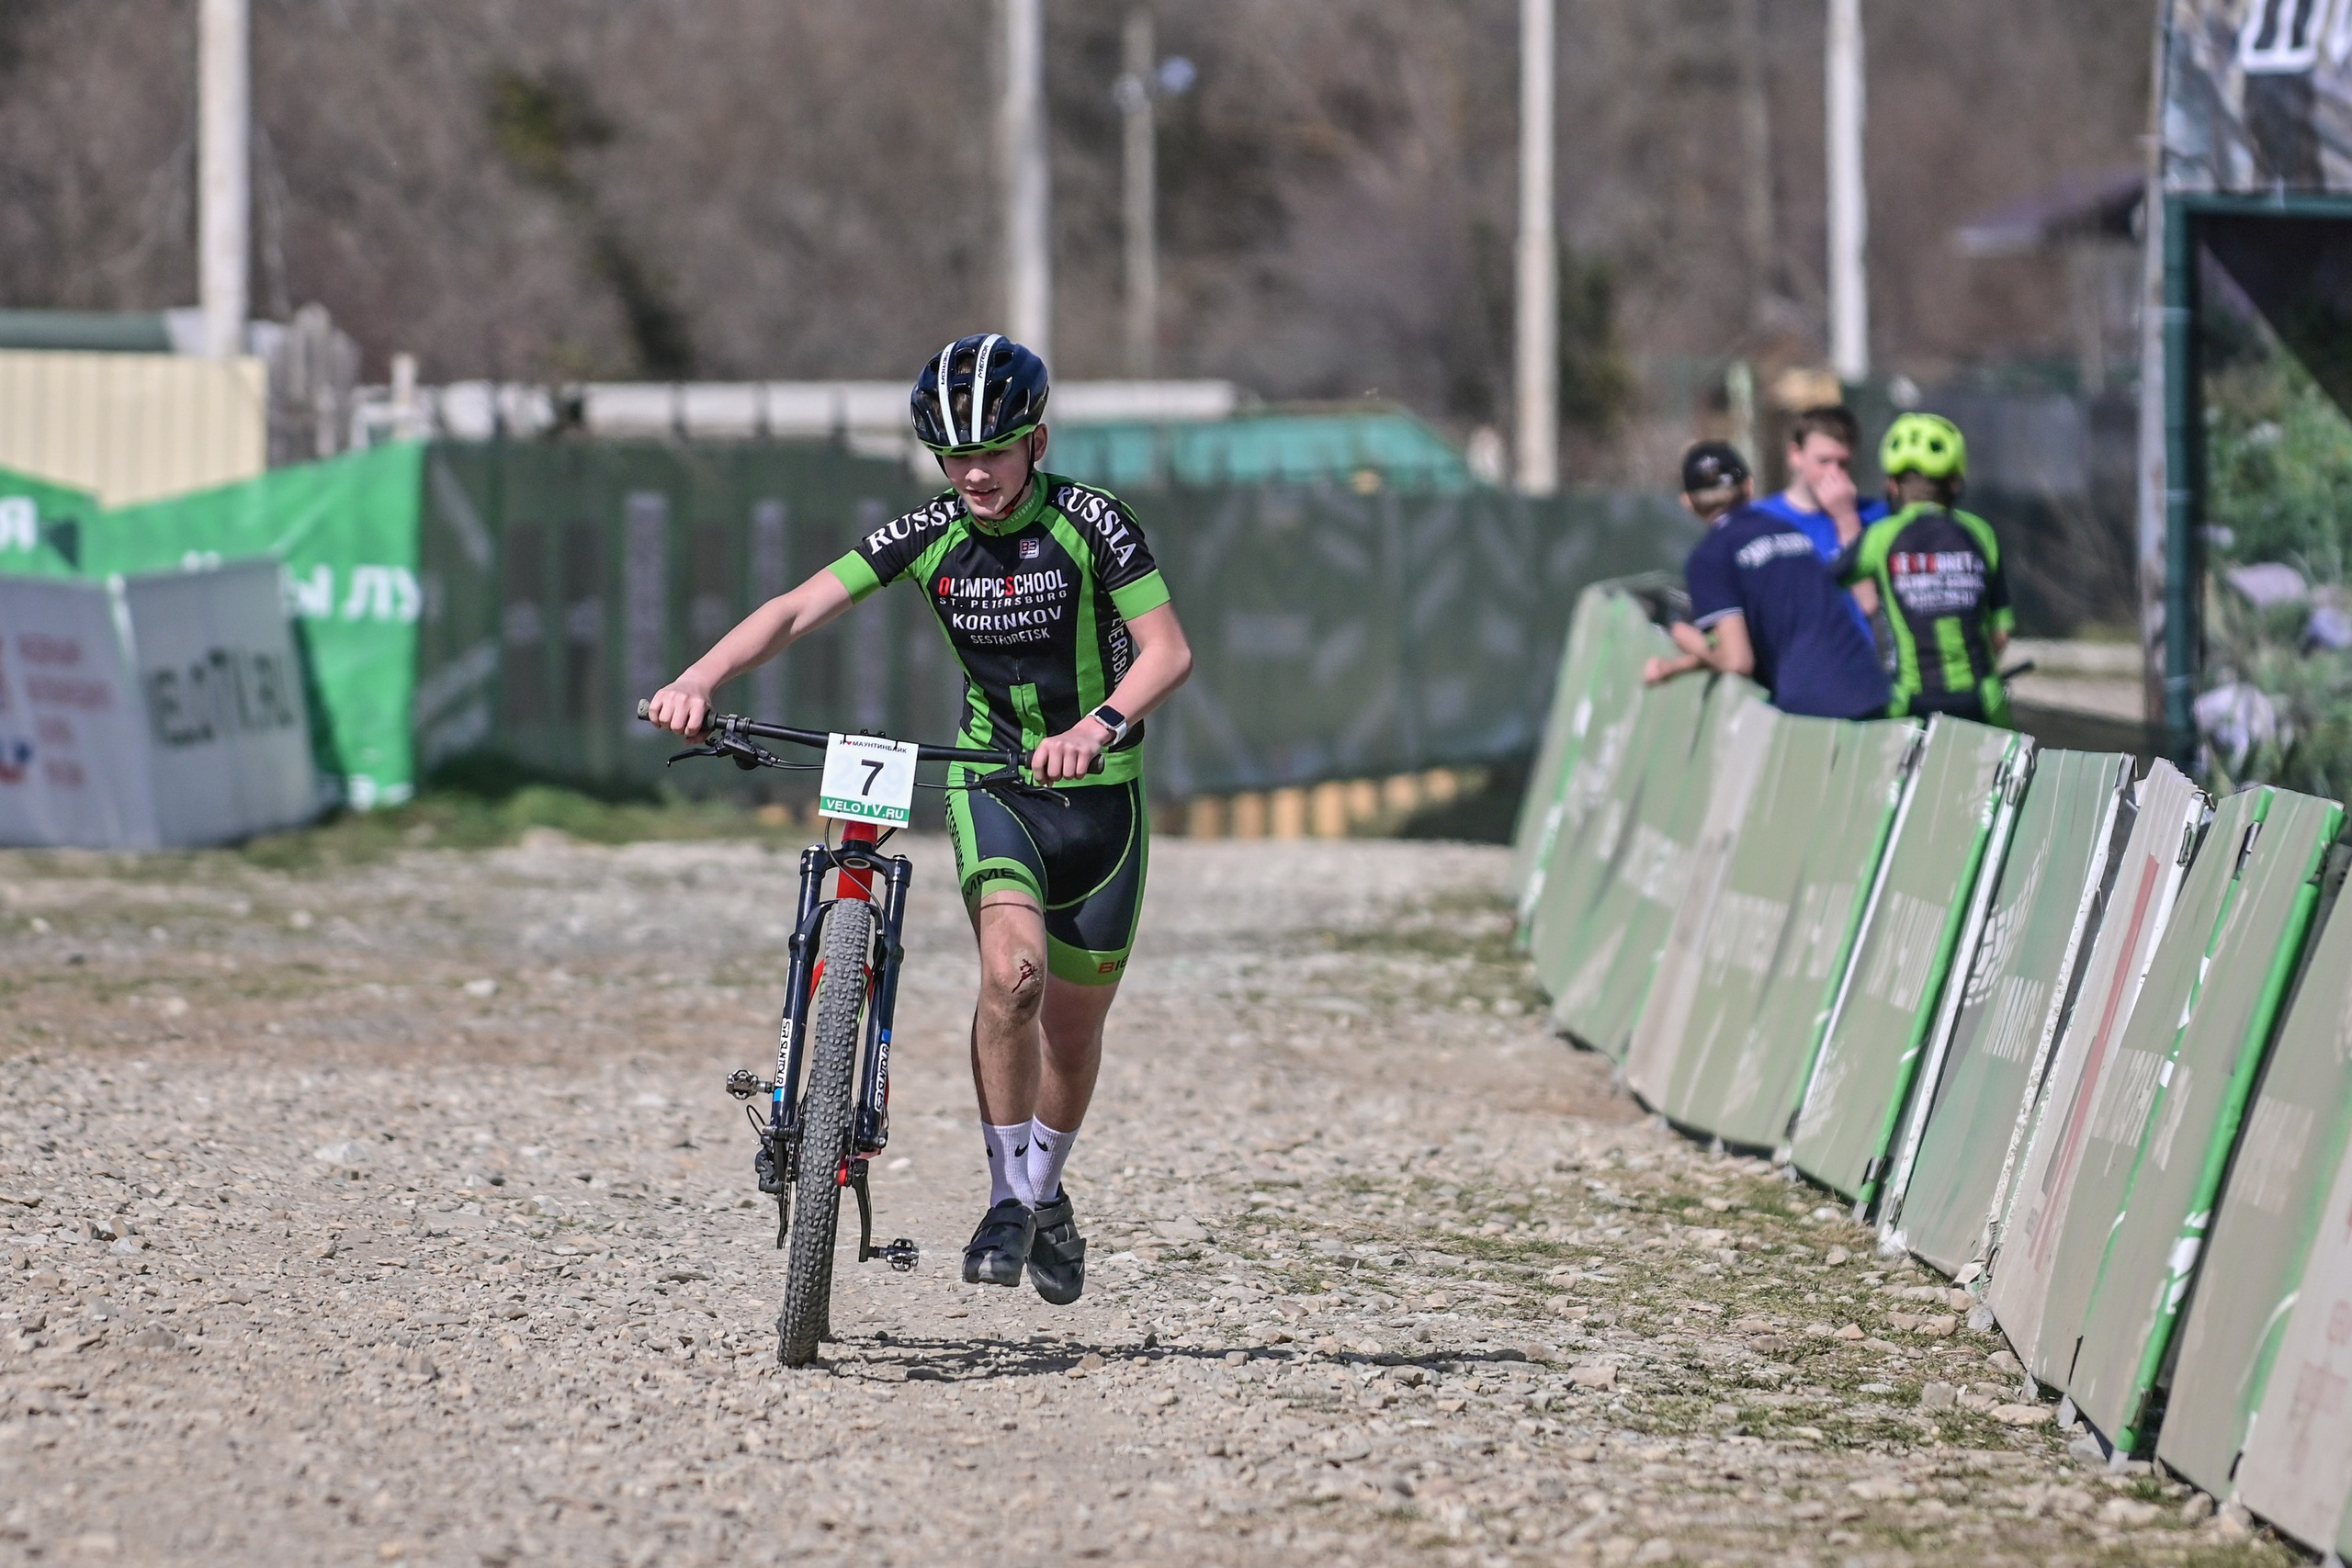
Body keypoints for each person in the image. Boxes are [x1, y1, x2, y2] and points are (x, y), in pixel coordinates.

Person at [644, 333, 1194, 1306]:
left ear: (1037, 441)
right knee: (1011, 977)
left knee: (1071, 1033)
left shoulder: (1095, 523)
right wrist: (698, 678)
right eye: (954, 454)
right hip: (993, 783)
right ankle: (1002, 1201)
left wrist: (1098, 725)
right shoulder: (929, 531)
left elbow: (1166, 651)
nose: (974, 472)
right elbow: (796, 607)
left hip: (1101, 798)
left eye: (993, 449)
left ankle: (1045, 1193)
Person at [1644, 440, 1892, 722]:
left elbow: (1737, 660)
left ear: (1687, 503)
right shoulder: (1788, 530)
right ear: (1749, 487)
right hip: (1869, 685)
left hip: (1816, 709)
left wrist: (1686, 638)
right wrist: (1674, 667)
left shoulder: (1709, 557)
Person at [1838, 412, 2014, 725]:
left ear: (1892, 485)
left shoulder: (1882, 535)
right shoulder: (1981, 532)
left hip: (1910, 699)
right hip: (1982, 698)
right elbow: (2001, 631)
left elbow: (1822, 582)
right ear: (1955, 482)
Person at [1749, 403, 1889, 646]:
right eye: (1823, 461)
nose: (1833, 474)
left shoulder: (1876, 517)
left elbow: (1871, 605)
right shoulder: (1759, 520)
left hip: (1861, 663)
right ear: (1796, 455)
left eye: (1842, 463)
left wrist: (1846, 519)